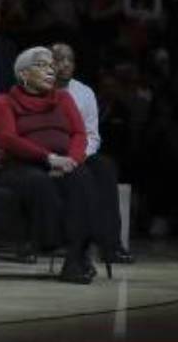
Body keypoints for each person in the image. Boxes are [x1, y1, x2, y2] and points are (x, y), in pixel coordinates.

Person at [0, 47, 110, 284]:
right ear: (24, 74)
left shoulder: (64, 99)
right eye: (42, 65)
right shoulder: (5, 101)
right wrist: (49, 158)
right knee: (39, 181)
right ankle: (56, 244)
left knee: (83, 178)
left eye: (50, 66)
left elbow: (79, 133)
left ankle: (74, 260)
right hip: (20, 166)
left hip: (63, 163)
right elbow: (6, 138)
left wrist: (72, 161)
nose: (50, 70)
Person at [50, 42, 131, 264]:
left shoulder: (84, 93)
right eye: (59, 59)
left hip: (80, 153)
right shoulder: (40, 89)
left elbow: (92, 136)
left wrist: (78, 157)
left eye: (70, 59)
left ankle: (111, 245)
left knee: (105, 167)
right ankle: (69, 242)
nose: (65, 64)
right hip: (51, 154)